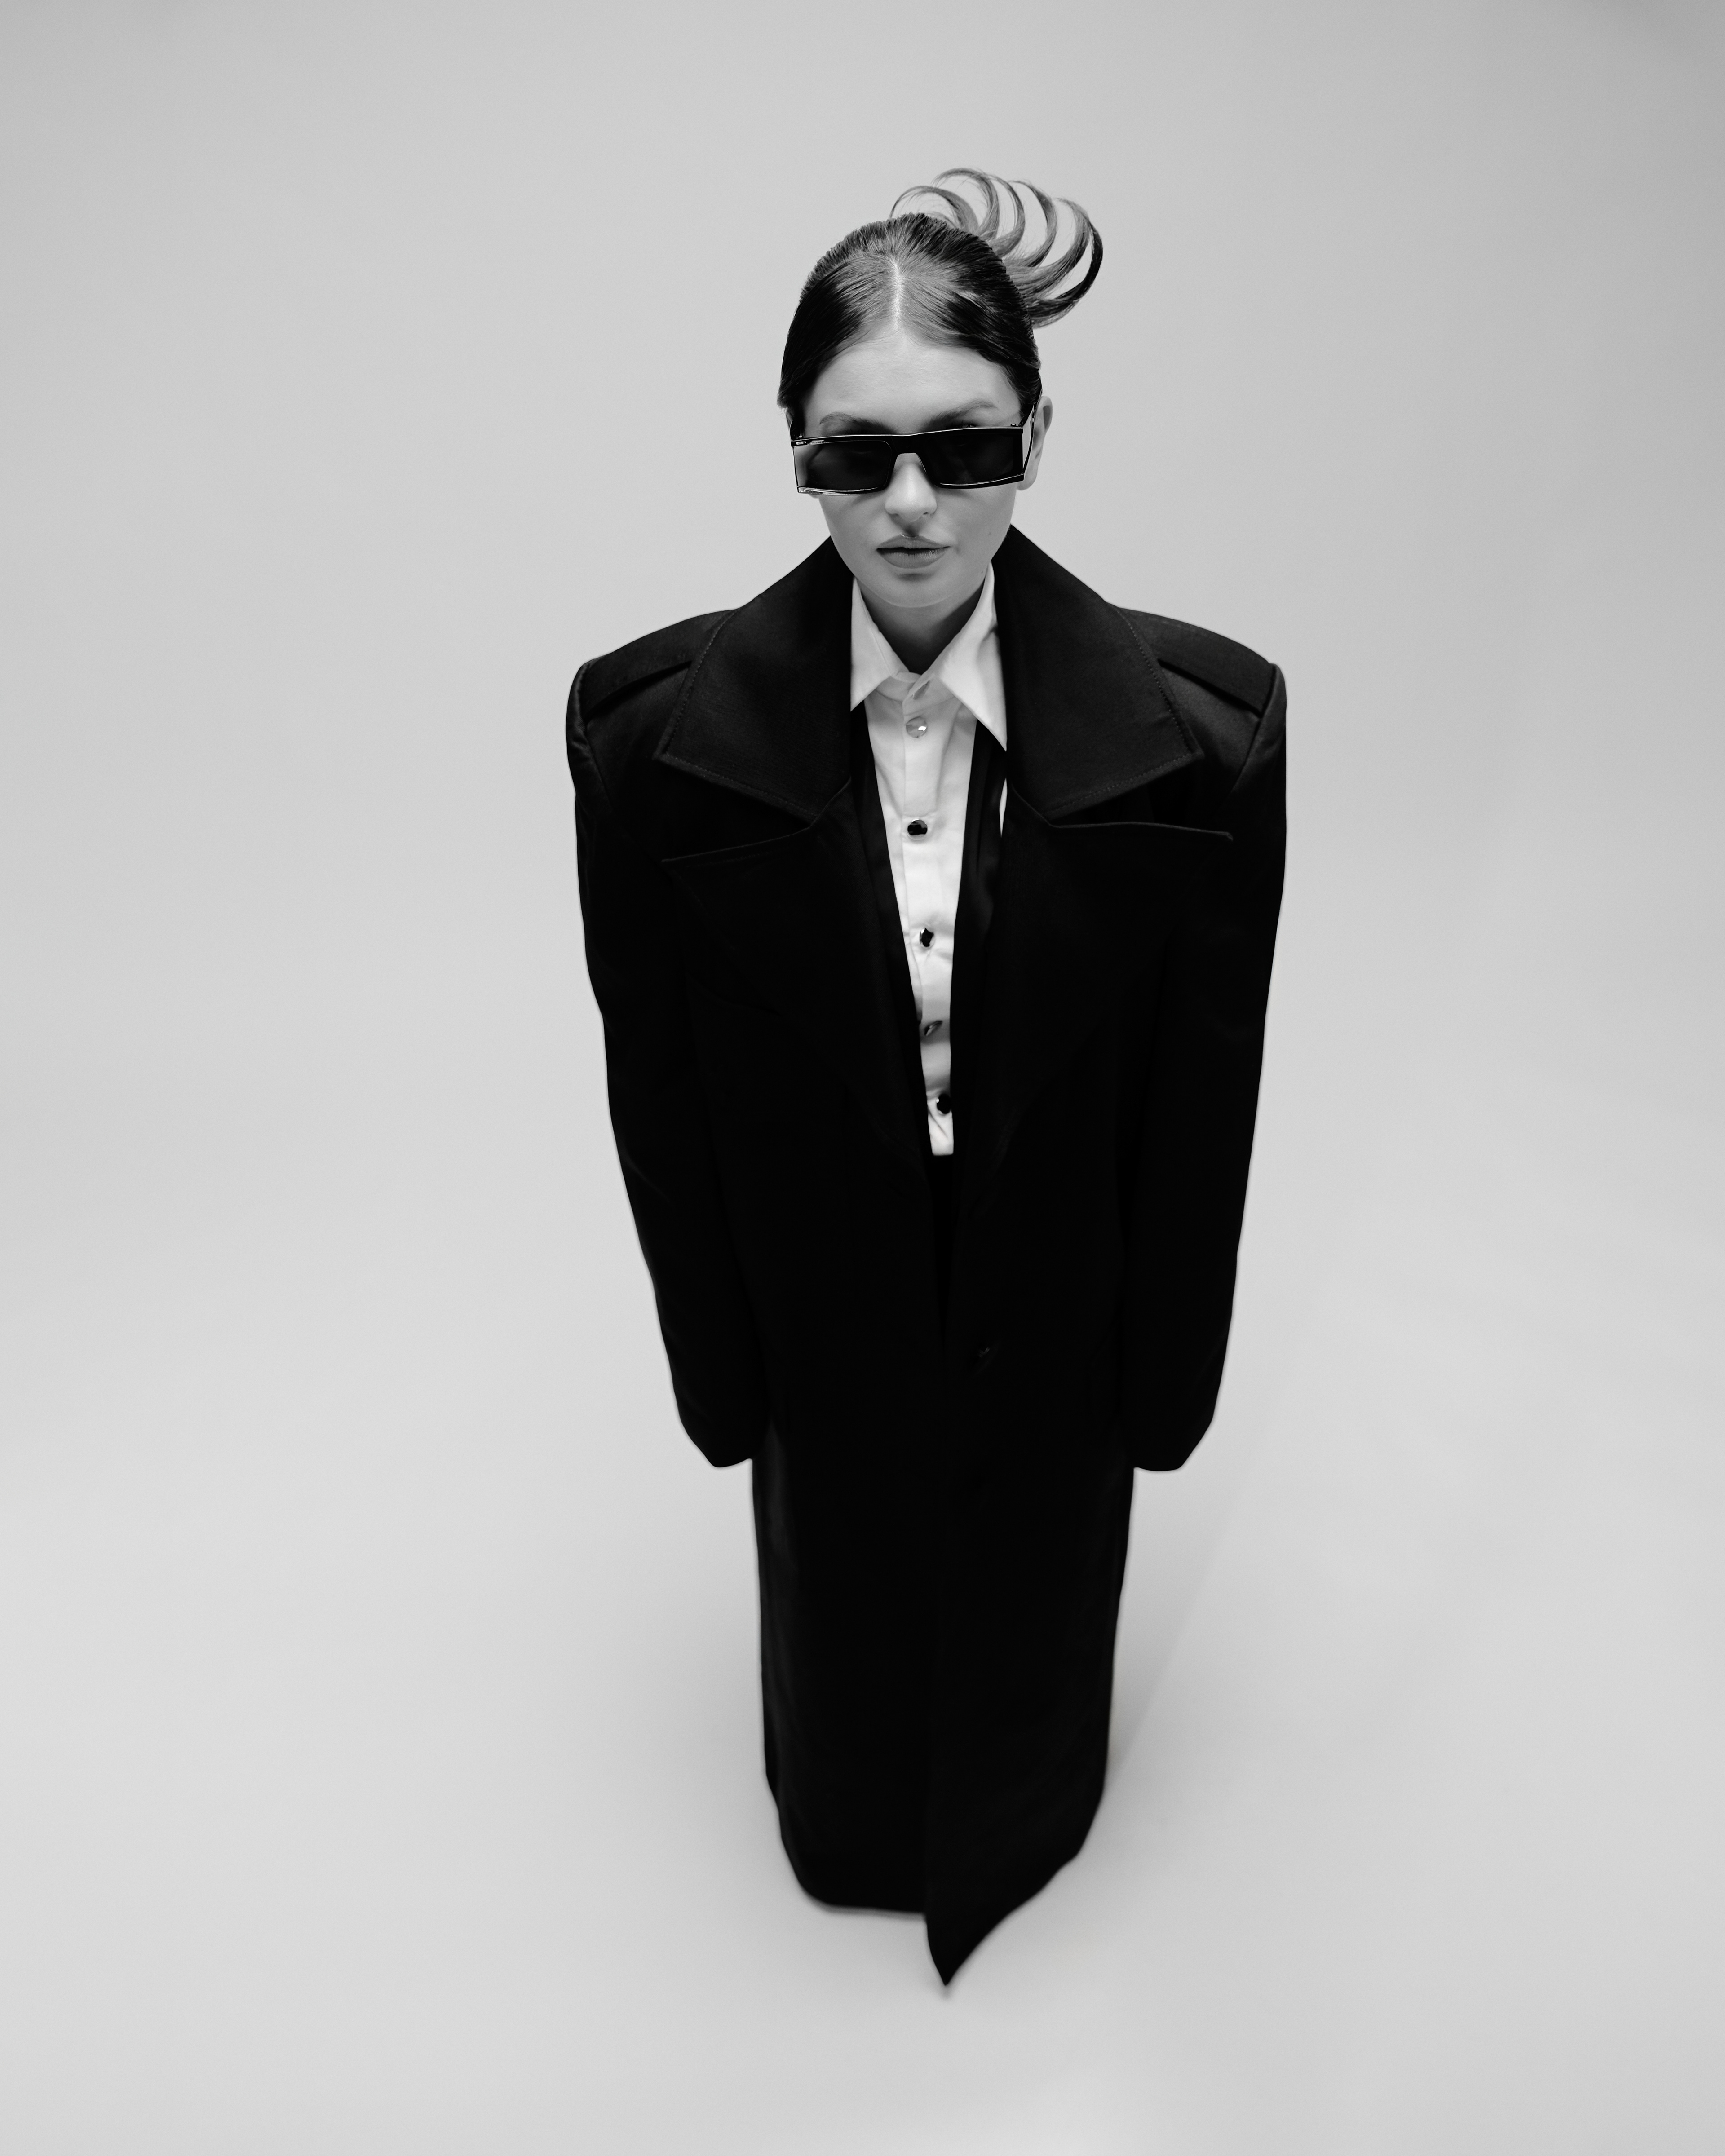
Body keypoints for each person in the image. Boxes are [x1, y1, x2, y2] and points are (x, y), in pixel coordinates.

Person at [565, 171, 1285, 1982]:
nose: (908, 505)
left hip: (1064, 1296)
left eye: (961, 450)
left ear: (1037, 436)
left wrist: (1164, 1382)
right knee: (849, 1633)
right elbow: (659, 1088)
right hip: (821, 1300)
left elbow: (1203, 1102)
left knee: (1041, 1601)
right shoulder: (647, 742)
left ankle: (1035, 1815)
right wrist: (722, 1371)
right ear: (794, 449)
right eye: (854, 451)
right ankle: (853, 1820)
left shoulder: (1209, 737)